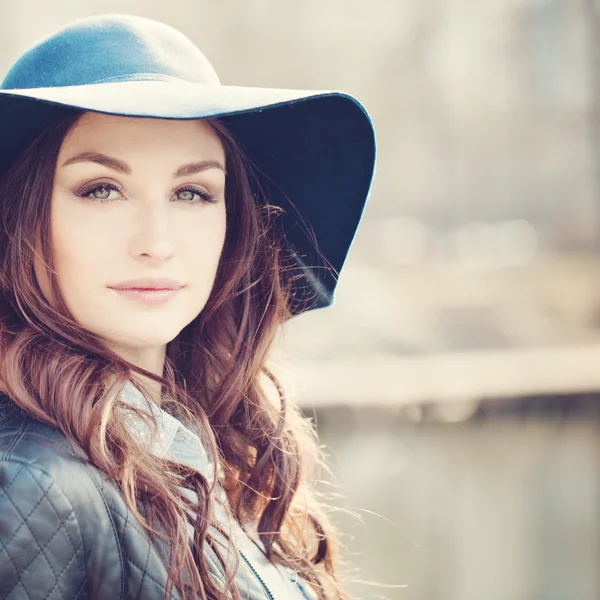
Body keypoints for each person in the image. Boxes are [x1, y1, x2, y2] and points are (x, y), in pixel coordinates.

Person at [0, 13, 375, 600]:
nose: (157, 241)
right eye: (101, 189)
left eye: (192, 192)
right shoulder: (31, 488)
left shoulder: (208, 450)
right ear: (20, 220)